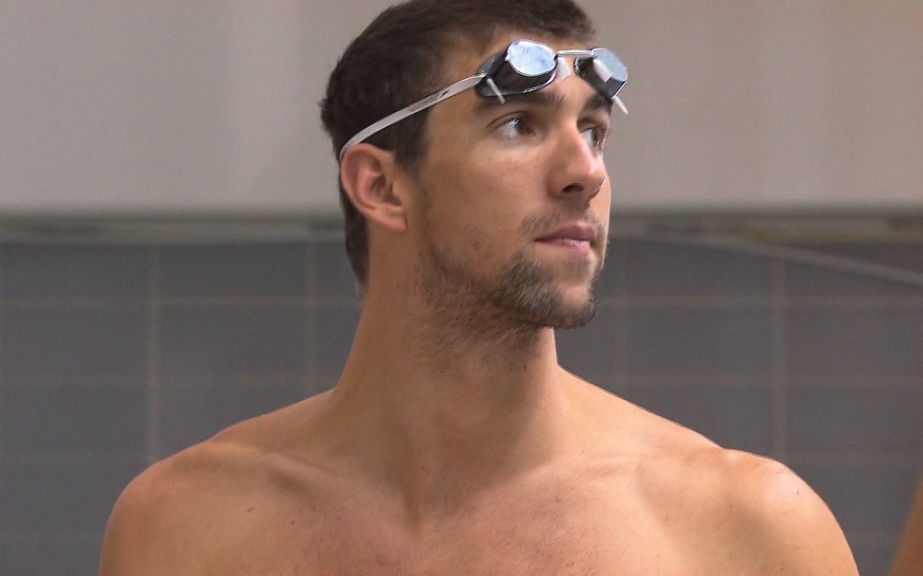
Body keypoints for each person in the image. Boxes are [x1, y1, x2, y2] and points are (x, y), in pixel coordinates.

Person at [98, 0, 859, 573]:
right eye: (519, 125)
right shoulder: (186, 531)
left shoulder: (742, 535)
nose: (585, 172)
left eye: (593, 131)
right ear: (382, 187)